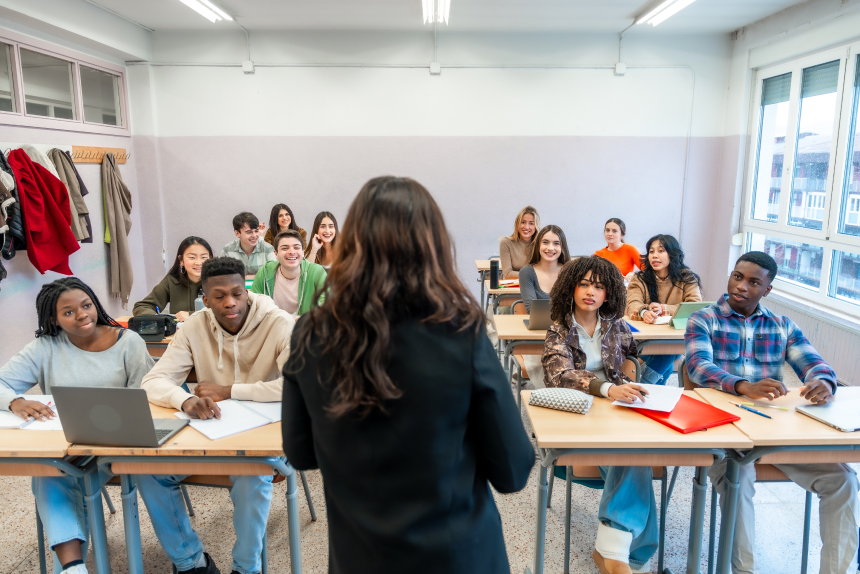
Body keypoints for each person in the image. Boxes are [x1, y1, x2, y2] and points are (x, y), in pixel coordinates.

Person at [282, 176, 534, 574]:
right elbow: (513, 470)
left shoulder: (310, 333)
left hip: (360, 559)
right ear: (432, 246)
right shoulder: (461, 333)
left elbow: (300, 453)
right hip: (457, 557)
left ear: (351, 244)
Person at [686, 251, 859, 574]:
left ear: (767, 289)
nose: (741, 286)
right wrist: (741, 385)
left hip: (771, 433)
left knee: (844, 479)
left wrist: (823, 381)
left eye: (754, 282)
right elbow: (698, 367)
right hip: (723, 433)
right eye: (738, 276)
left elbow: (814, 363)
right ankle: (745, 571)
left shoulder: (781, 325)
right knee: (740, 477)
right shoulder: (704, 319)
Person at [137, 257, 295, 574]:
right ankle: (191, 563)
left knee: (253, 473)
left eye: (237, 293)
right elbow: (153, 381)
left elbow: (299, 384)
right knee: (148, 470)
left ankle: (246, 567)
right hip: (211, 434)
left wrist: (229, 390)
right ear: (205, 300)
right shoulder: (195, 325)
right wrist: (183, 400)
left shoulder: (280, 323)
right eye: (219, 296)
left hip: (266, 440)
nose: (230, 302)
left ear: (247, 292)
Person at [0, 278, 153, 574]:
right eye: (68, 312)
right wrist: (14, 401)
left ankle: (69, 566)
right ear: (53, 319)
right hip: (67, 448)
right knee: (45, 470)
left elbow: (146, 397)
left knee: (55, 473)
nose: (82, 315)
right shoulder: (45, 347)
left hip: (119, 450)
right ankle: (74, 568)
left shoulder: (128, 342)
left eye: (86, 305)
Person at [543, 256, 659, 574]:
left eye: (598, 286)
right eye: (584, 284)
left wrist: (631, 375)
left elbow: (633, 354)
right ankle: (629, 557)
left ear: (608, 293)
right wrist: (608, 389)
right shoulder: (559, 329)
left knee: (637, 454)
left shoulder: (615, 325)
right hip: (579, 416)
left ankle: (616, 555)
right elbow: (559, 376)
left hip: (618, 411)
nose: (591, 292)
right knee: (632, 457)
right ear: (571, 288)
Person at [625, 234, 702, 385]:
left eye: (661, 251)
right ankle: (647, 386)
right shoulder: (639, 278)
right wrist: (643, 312)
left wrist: (664, 309)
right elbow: (632, 304)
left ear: (672, 254)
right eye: (651, 251)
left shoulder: (686, 277)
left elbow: (694, 307)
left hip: (676, 336)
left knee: (668, 350)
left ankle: (644, 385)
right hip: (646, 337)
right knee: (667, 353)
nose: (654, 255)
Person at [517, 224, 570, 388]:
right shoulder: (527, 272)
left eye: (556, 243)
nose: (550, 248)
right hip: (539, 337)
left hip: (568, 336)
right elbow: (532, 309)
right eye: (545, 242)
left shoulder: (570, 271)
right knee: (549, 367)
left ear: (562, 247)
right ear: (538, 245)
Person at [133, 236, 213, 321]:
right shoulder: (172, 281)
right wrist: (156, 319)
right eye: (192, 257)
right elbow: (142, 307)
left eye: (204, 257)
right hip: (179, 333)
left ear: (210, 259)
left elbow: (225, 312)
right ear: (181, 260)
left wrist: (191, 315)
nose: (198, 262)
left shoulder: (218, 282)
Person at [250, 230, 327, 317]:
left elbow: (328, 306)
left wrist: (303, 321)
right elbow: (253, 305)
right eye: (285, 248)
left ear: (303, 252)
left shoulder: (317, 272)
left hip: (306, 327)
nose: (291, 252)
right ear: (276, 254)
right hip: (272, 327)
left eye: (296, 247)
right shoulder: (265, 271)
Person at [220, 212, 276, 276]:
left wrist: (247, 277)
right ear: (237, 233)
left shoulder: (268, 249)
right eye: (249, 232)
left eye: (256, 231)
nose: (254, 236)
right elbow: (221, 276)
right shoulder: (228, 250)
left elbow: (273, 275)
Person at [500, 205, 540, 279]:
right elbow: (508, 274)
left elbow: (544, 272)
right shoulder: (506, 243)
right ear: (517, 224)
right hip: (513, 288)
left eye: (531, 223)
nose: (526, 227)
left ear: (536, 226)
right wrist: (532, 276)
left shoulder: (541, 245)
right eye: (523, 222)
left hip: (534, 288)